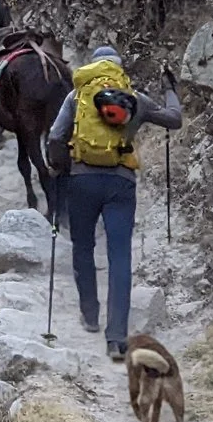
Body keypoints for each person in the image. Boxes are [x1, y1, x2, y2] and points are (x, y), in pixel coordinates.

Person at [42, 42, 182, 361]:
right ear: (119, 68)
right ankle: (116, 338)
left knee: (83, 246)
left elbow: (54, 136)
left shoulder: (77, 96)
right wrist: (170, 88)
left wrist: (60, 165)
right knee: (119, 256)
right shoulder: (133, 98)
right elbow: (174, 119)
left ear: (93, 66)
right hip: (121, 183)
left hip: (82, 181)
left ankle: (90, 315)